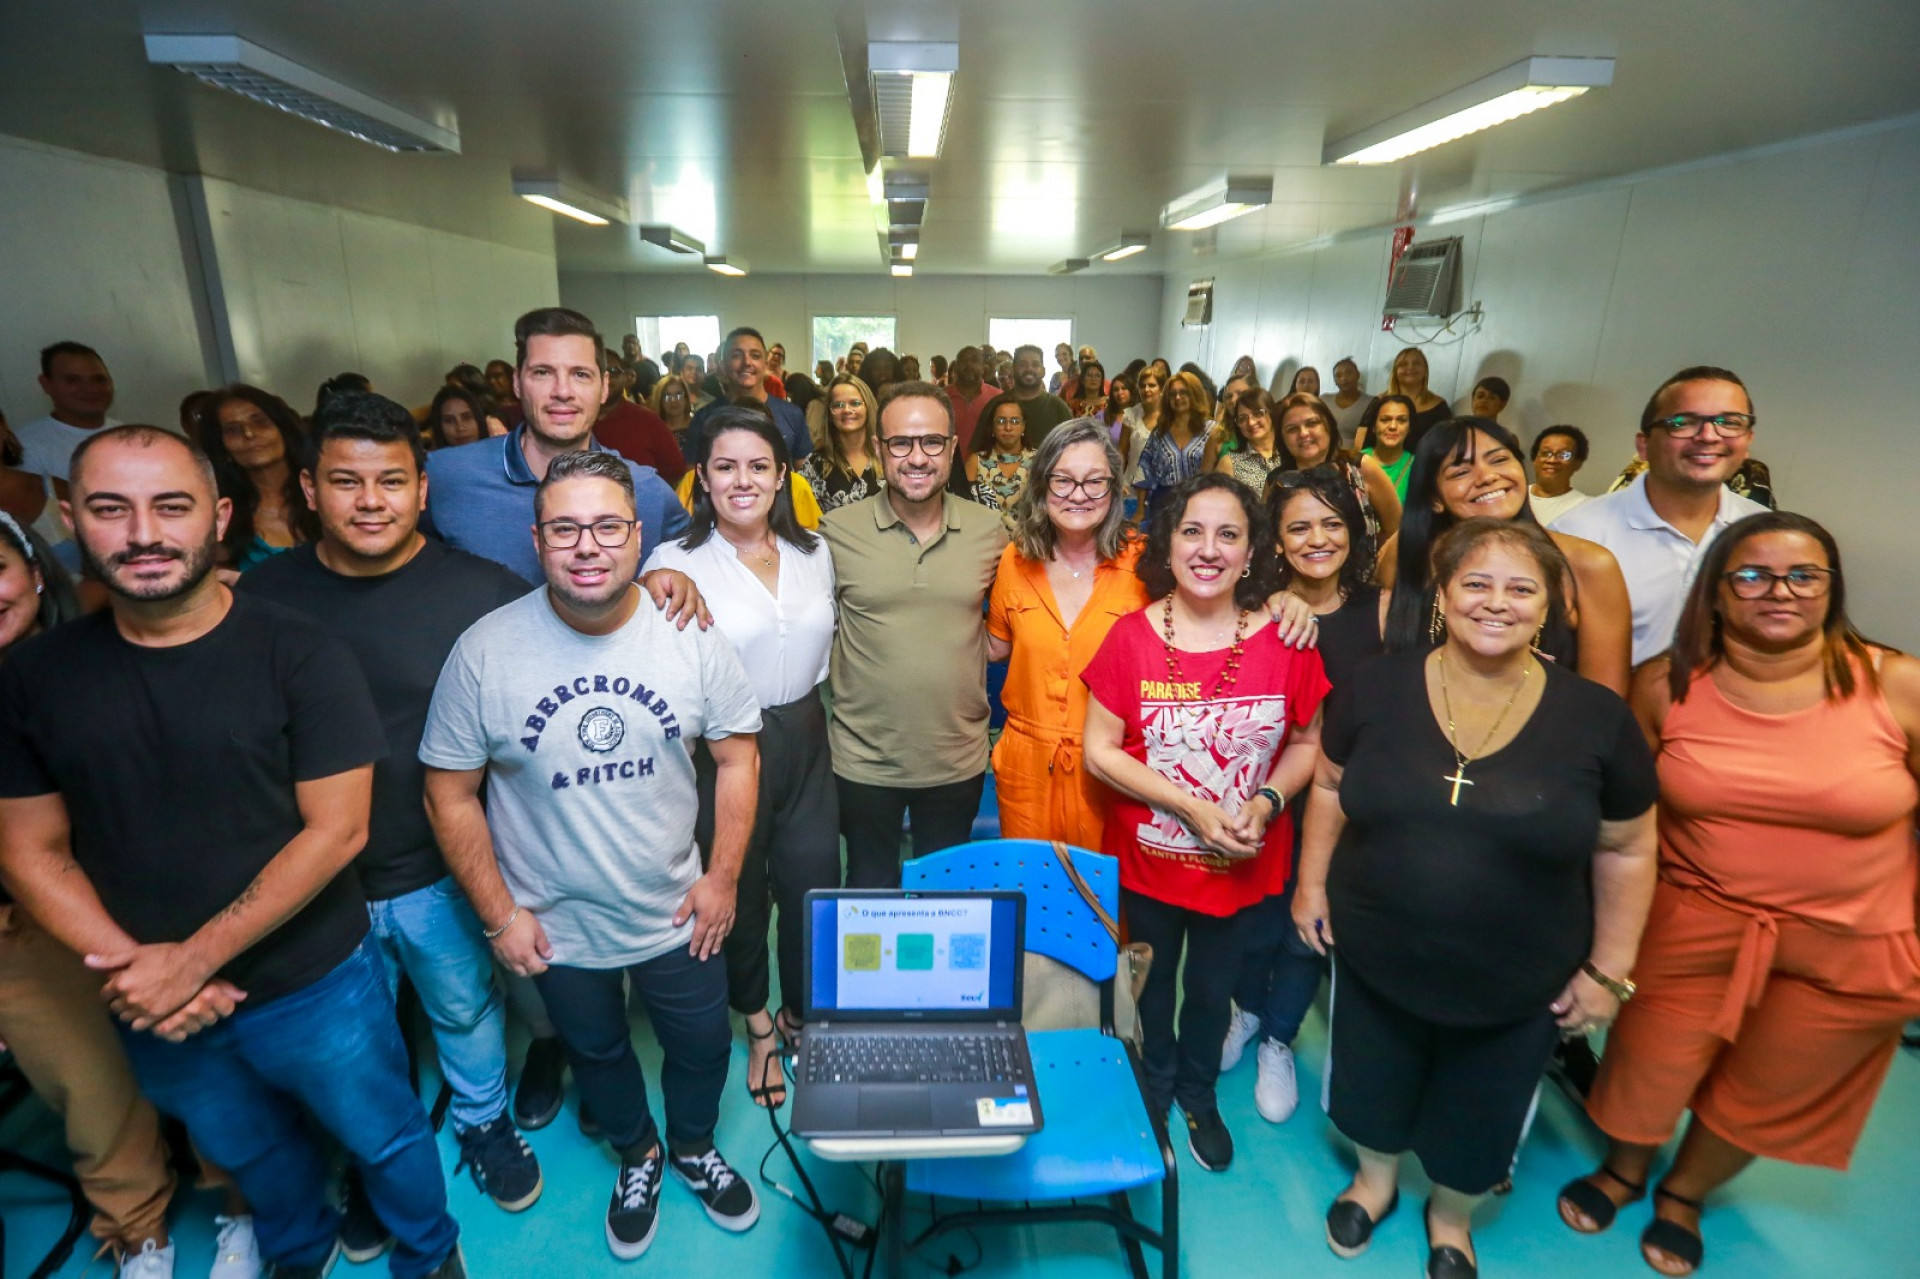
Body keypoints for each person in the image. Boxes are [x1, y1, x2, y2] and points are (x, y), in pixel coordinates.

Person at [0, 426, 465, 1279]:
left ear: (216, 518)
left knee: (384, 1130)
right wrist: (146, 970)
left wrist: (194, 960)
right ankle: (297, 1244)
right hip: (146, 997)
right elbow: (32, 848)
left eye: (170, 506)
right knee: (246, 1145)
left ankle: (430, 1252)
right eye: (111, 508)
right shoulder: (33, 679)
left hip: (310, 980)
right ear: (69, 517)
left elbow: (339, 829)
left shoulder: (300, 651)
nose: (143, 532)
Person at [1293, 517, 1659, 1279]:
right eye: (1477, 583)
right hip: (1376, 945)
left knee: (1483, 1105)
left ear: (1554, 603)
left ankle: (1452, 1214)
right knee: (1368, 1079)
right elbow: (1328, 783)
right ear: (1444, 597)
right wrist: (1311, 883)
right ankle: (1374, 1179)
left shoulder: (1598, 718)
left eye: (1521, 588)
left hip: (1518, 973)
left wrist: (1609, 970)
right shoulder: (1378, 685)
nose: (1497, 603)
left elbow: (1626, 847)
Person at [421, 450, 763, 1260]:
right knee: (598, 1050)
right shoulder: (485, 651)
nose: (587, 545)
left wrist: (723, 878)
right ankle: (638, 1153)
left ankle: (690, 1146)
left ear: (638, 535)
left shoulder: (687, 630)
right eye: (566, 528)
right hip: (555, 922)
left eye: (607, 526)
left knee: (703, 1046)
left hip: (676, 905)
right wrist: (499, 915)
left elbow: (739, 758)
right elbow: (448, 792)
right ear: (537, 540)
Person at [1563, 513, 1920, 1278]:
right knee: (1648, 1060)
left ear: (1831, 587)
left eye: (1803, 575)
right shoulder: (1666, 684)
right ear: (1717, 594)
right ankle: (1626, 1169)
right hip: (1695, 916)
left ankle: (1685, 1192)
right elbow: (1624, 812)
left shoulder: (1896, 683)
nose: (1779, 591)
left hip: (1854, 936)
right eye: (1752, 575)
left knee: (1776, 1081)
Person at [238, 393, 543, 1228]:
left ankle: (484, 1123)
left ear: (422, 490)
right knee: (353, 1040)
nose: (370, 500)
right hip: (316, 877)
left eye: (391, 480)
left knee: (464, 1007)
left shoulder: (483, 591)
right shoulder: (260, 600)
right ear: (308, 488)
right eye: (346, 480)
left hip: (439, 864)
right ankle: (382, 1157)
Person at [1083, 472, 1328, 1172]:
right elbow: (1100, 750)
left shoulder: (1287, 638)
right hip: (1152, 859)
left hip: (1240, 862)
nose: (1209, 549)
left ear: (1253, 552)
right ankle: (1154, 1085)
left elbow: (1310, 743)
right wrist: (1189, 805)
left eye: (1229, 534)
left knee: (1213, 988)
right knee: (1154, 984)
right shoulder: (1131, 636)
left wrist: (1268, 801)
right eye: (1192, 531)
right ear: (1168, 541)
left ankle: (1197, 1091)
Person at [0, 513, 196, 1279]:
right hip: (21, 928)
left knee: (207, 1064)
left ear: (34, 573)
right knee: (90, 1089)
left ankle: (243, 1202)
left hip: (151, 900)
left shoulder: (112, 656)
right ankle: (138, 1229)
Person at [643, 406, 840, 1105]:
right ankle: (757, 1021)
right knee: (743, 891)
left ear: (782, 473)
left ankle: (802, 1013)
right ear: (701, 475)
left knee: (814, 882)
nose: (742, 480)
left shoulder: (815, 551)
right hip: (726, 747)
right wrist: (651, 587)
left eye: (759, 465)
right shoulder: (674, 563)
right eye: (724, 465)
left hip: (809, 735)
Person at [1221, 467, 1386, 1126]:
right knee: (1249, 919)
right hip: (1272, 790)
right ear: (1277, 541)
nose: (1318, 538)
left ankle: (1280, 1039)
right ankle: (1245, 1009)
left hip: (1350, 802)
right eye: (1299, 527)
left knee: (1309, 925)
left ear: (1353, 529)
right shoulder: (1256, 609)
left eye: (1332, 522)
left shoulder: (1385, 610)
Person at [821, 381, 1007, 888]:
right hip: (863, 763)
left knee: (946, 904)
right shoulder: (835, 533)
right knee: (868, 897)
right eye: (901, 443)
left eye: (931, 443)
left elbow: (1024, 609)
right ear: (879, 449)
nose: (916, 458)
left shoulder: (991, 531)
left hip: (955, 758)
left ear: (951, 448)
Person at [423, 307, 692, 583]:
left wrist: (672, 577)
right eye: (542, 372)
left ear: (604, 387)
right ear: (517, 383)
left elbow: (702, 564)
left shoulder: (646, 491)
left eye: (580, 375)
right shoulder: (446, 476)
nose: (562, 391)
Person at [984, 420, 1148, 847]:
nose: (1078, 495)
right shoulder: (1014, 561)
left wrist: (1289, 600)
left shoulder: (1145, 565)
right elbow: (994, 647)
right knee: (1030, 894)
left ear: (1114, 489)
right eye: (1063, 481)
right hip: (1027, 764)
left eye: (1095, 481)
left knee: (1107, 903)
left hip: (1113, 765)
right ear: (1041, 487)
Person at [1381, 418, 1632, 695]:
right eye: (1461, 471)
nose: (1487, 476)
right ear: (1435, 498)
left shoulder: (1588, 564)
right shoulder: (1410, 552)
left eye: (1499, 459)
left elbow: (1604, 705)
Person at [1549, 366, 1770, 667]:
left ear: (1748, 440)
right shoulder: (1577, 534)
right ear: (1643, 445)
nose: (1708, 436)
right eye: (1683, 422)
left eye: (1729, 422)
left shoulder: (1765, 532)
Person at [192, 385, 311, 570]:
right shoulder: (220, 517)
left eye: (261, 422)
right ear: (222, 447)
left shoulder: (324, 493)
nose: (249, 434)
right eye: (233, 430)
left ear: (283, 430)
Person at [1273, 391, 1402, 551]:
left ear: (1329, 426)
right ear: (1282, 439)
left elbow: (1395, 530)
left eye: (1312, 423)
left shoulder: (1360, 468)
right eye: (1292, 429)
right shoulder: (1279, 481)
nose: (1304, 433)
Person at [684, 327, 811, 465]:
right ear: (723, 366)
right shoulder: (704, 418)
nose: (747, 362)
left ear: (765, 364)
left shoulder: (792, 415)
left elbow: (804, 474)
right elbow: (692, 478)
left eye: (755, 356)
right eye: (736, 356)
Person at [14, 341, 120, 485]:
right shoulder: (27, 448)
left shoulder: (131, 434)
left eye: (99, 379)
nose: (90, 389)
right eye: (72, 380)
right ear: (46, 384)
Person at [1135, 371, 1220, 519]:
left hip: (1201, 504)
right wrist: (1140, 510)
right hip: (1163, 506)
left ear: (1195, 394)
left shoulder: (1212, 430)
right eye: (1172, 394)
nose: (1178, 398)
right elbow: (1144, 470)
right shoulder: (1160, 432)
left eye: (1183, 393)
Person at [798, 374, 881, 512]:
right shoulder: (815, 464)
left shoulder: (888, 456)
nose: (847, 410)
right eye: (838, 405)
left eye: (855, 403)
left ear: (868, 408)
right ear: (830, 415)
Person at [977, 344, 1073, 451]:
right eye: (1023, 364)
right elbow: (979, 450)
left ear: (1043, 371)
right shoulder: (996, 405)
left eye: (1035, 365)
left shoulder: (1058, 407)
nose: (1029, 369)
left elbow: (1072, 449)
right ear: (1013, 369)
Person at [964, 395, 1036, 528]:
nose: (1008, 427)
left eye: (1015, 421)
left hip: (1029, 542)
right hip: (985, 540)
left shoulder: (1039, 461)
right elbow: (964, 508)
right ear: (992, 426)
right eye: (1001, 421)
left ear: (1024, 426)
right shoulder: (976, 462)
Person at [593, 384, 687, 484]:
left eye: (614, 372)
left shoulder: (647, 421)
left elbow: (675, 469)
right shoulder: (579, 422)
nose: (674, 401)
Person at [1215, 388, 1287, 492]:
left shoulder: (1290, 453)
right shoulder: (1229, 463)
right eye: (1243, 418)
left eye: (1257, 414)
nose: (1251, 422)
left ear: (1271, 413)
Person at [1526, 424, 1593, 525]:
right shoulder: (1514, 495)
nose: (1552, 460)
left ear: (1578, 463)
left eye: (1564, 455)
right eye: (1546, 453)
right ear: (1534, 459)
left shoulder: (1587, 507)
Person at [1387, 348, 1450, 451]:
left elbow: (1447, 446)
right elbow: (1364, 440)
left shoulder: (1439, 406)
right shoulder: (1379, 402)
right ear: (1395, 371)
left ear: (1425, 370)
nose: (1410, 367)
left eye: (1416, 363)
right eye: (1403, 364)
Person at [1359, 394, 1415, 503]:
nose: (1393, 426)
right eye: (1385, 420)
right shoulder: (1355, 462)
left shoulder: (1418, 466)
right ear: (1374, 426)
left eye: (1401, 420)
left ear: (1409, 428)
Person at [945, 345, 1001, 447]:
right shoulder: (940, 397)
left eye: (974, 360)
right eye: (963, 360)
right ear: (955, 367)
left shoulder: (997, 397)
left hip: (987, 461)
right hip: (948, 460)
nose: (968, 365)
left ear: (984, 367)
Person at [426, 385, 498, 450]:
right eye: (449, 421)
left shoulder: (501, 455)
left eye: (467, 418)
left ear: (479, 419)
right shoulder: (430, 462)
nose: (460, 428)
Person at [1328, 357, 1371, 438]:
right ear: (1334, 380)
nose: (1344, 378)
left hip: (1357, 450)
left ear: (1358, 375)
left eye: (1349, 373)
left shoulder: (1371, 402)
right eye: (1338, 375)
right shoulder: (1325, 401)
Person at [650, 374, 697, 446]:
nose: (673, 400)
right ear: (659, 400)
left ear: (686, 398)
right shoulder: (653, 432)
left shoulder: (698, 427)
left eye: (678, 395)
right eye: (667, 396)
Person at [484, 360, 524, 429]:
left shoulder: (526, 404)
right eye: (488, 377)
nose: (492, 381)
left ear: (510, 377)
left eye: (497, 376)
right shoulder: (486, 409)